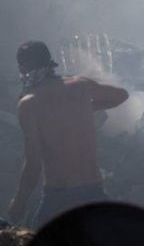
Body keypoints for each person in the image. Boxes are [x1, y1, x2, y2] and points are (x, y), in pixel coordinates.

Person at [8, 41, 129, 228]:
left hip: (59, 196)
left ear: (22, 68)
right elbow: (121, 95)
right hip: (93, 190)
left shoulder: (29, 104)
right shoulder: (80, 86)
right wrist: (89, 108)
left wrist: (19, 201)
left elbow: (33, 164)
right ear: (50, 63)